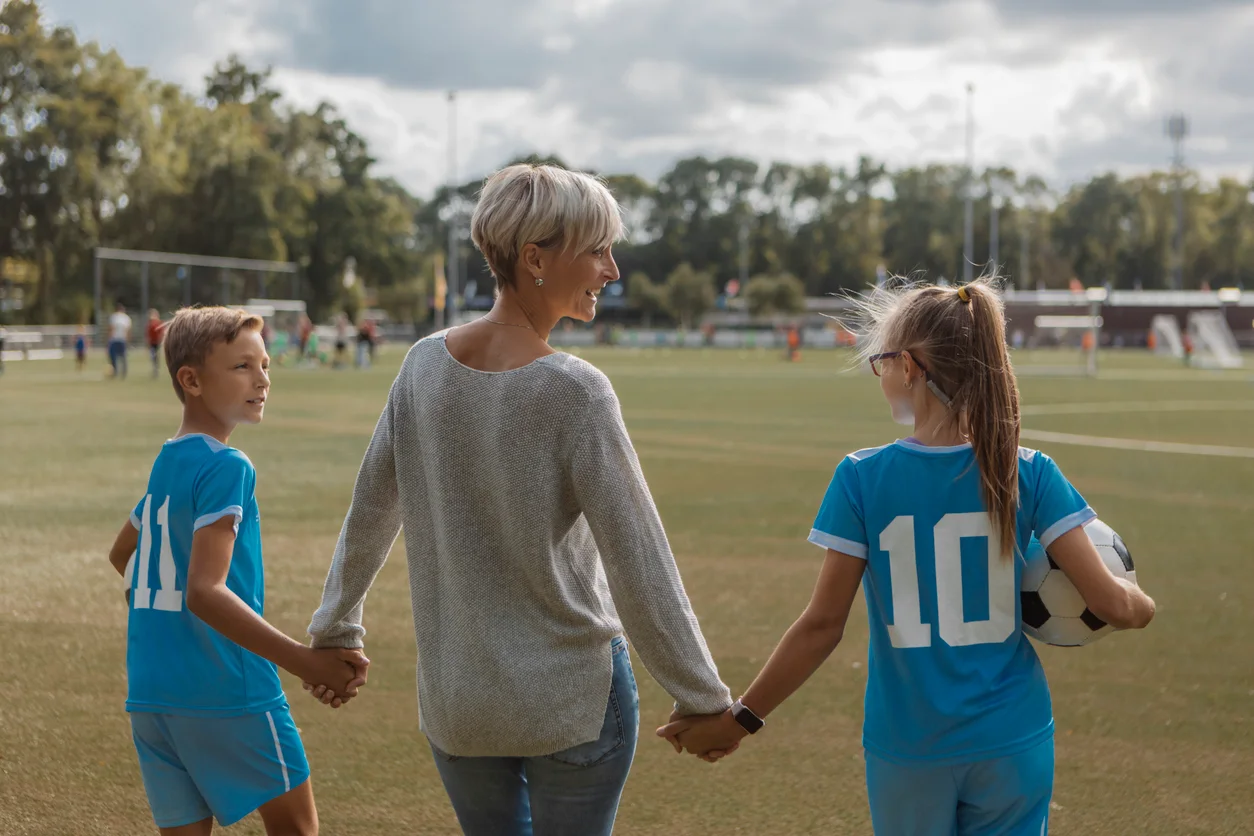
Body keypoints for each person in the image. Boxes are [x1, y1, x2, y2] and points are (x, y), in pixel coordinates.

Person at [305, 163, 732, 836]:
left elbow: (370, 510)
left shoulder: (421, 365)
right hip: (572, 702)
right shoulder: (576, 390)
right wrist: (703, 698)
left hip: (459, 703)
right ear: (534, 258)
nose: (611, 269)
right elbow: (638, 557)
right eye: (597, 250)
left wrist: (335, 629)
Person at [660, 278, 1156, 836]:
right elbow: (1111, 603)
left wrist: (742, 719)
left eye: (883, 362)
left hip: (907, 746)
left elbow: (822, 626)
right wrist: (1143, 605)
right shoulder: (1031, 471)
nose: (882, 375)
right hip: (1011, 739)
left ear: (913, 367)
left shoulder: (861, 478)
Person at [103, 306, 369, 835]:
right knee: (297, 830)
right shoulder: (229, 466)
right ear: (191, 380)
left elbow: (122, 554)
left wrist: (162, 622)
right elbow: (204, 592)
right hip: (229, 688)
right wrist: (304, 663)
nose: (263, 378)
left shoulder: (168, 463)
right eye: (243, 366)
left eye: (265, 364)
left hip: (153, 693)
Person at [109, 303, 132, 379]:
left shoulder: (114, 317)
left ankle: (115, 371)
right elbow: (128, 331)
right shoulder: (126, 318)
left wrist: (109, 339)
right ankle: (124, 372)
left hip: (115, 339)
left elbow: (111, 329)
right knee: (123, 357)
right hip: (122, 339)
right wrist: (128, 340)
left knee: (113, 357)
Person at [146, 310, 166, 379]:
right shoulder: (151, 323)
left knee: (155, 356)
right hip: (153, 343)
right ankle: (155, 369)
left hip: (157, 342)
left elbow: (161, 333)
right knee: (154, 356)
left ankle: (156, 369)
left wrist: (160, 341)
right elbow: (149, 334)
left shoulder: (158, 323)